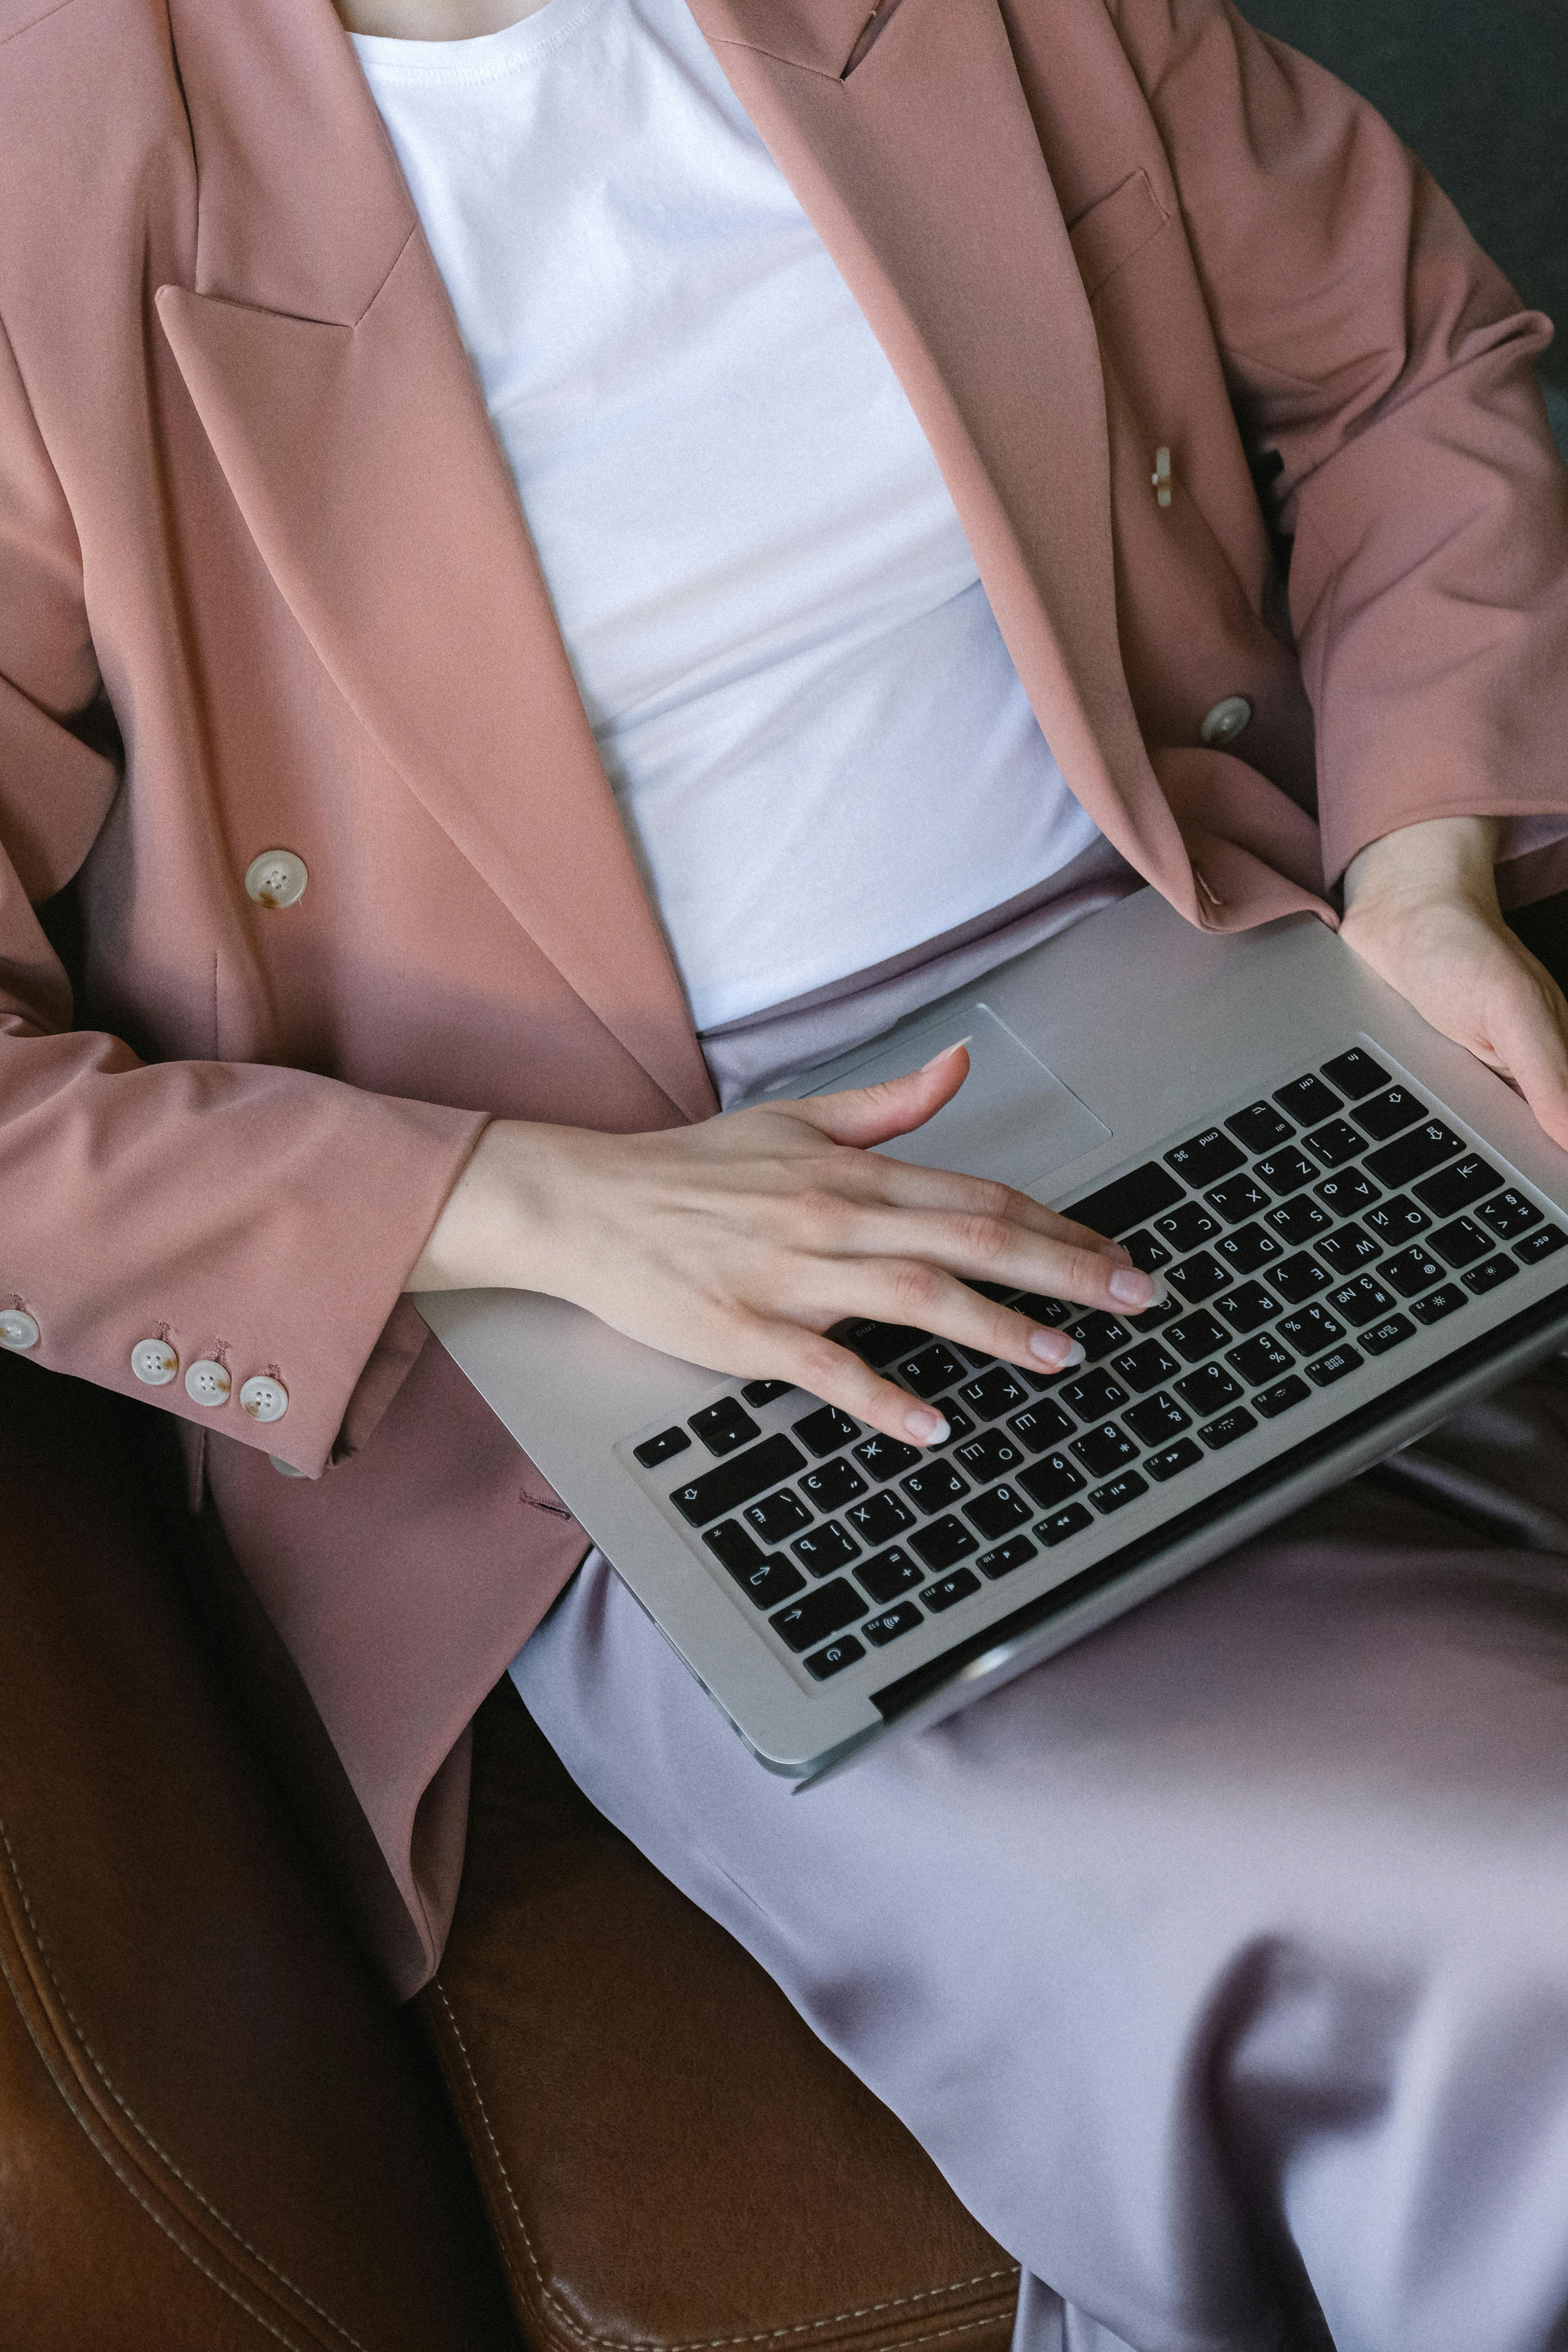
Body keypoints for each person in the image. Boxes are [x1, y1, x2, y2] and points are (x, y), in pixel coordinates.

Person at [3, 0, 1568, 2340]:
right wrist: (518, 1207)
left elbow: (1402, 359)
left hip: (1239, 1004)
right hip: (629, 1293)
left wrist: (1427, 871)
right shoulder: (46, 158)